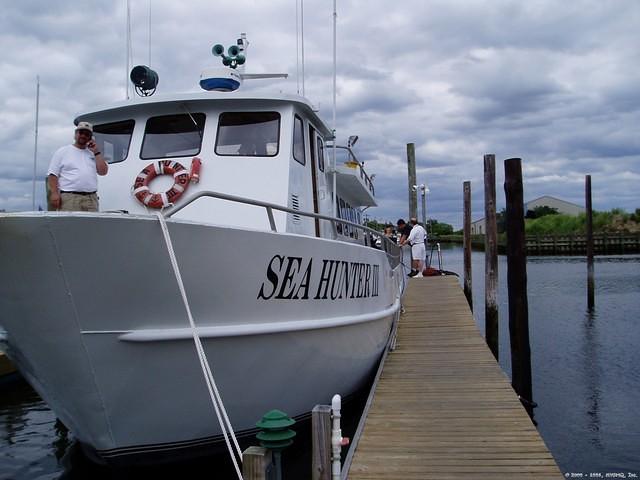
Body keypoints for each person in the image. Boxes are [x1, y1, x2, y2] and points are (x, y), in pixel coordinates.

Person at [47, 122, 108, 211]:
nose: (83, 136)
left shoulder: (94, 154)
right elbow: (52, 175)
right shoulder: (62, 151)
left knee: (92, 225)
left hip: (91, 199)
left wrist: (96, 152)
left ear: (90, 137)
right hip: (69, 198)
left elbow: (103, 172)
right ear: (75, 134)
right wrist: (54, 194)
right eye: (81, 132)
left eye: (87, 134)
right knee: (69, 225)